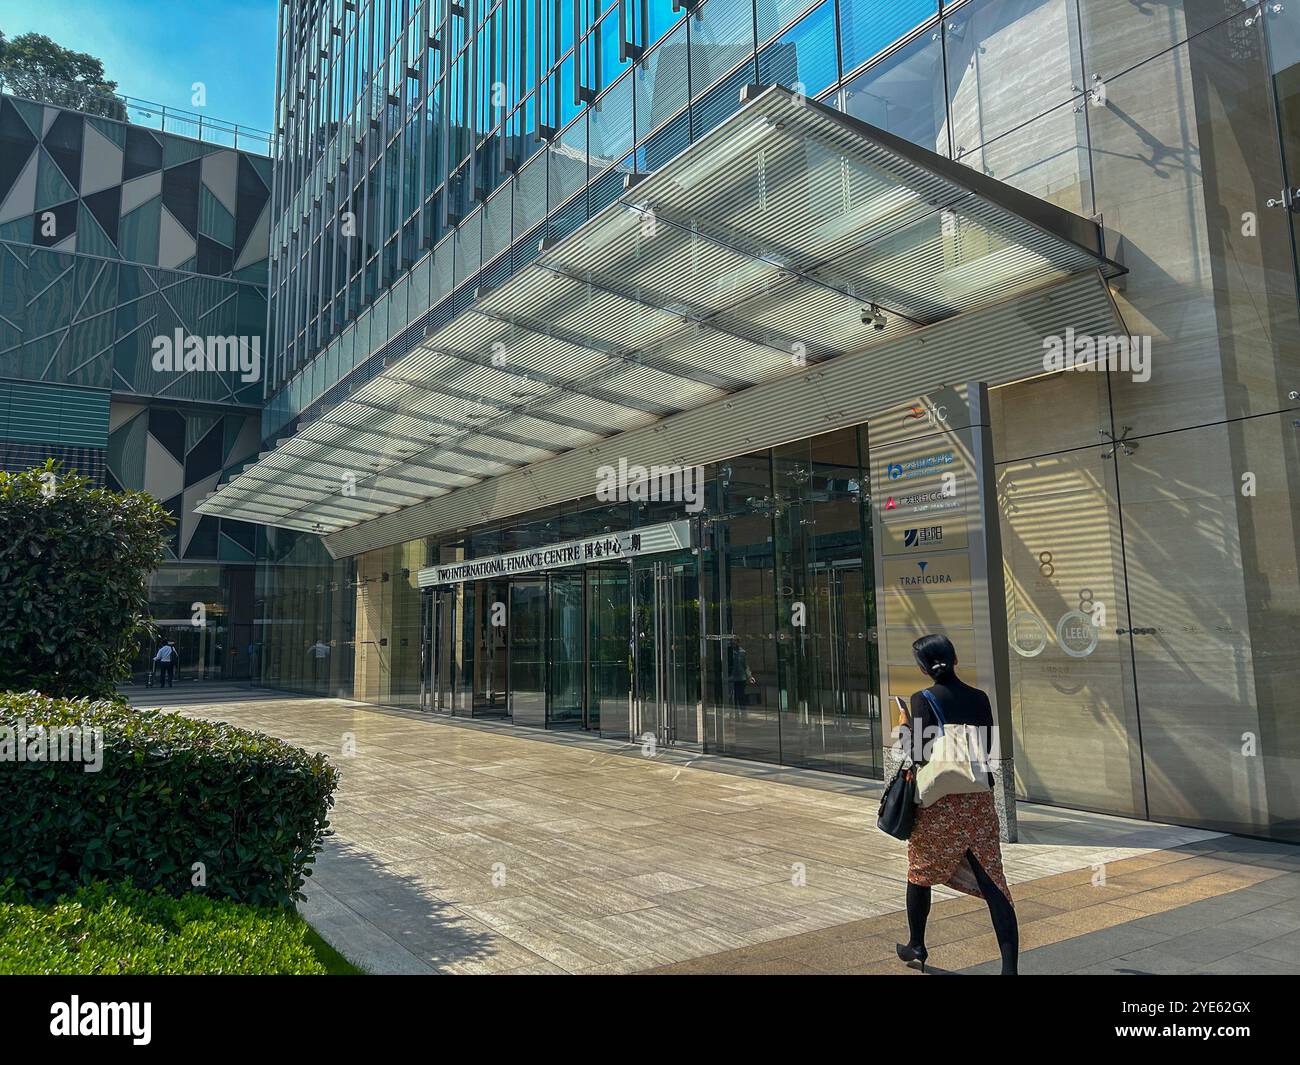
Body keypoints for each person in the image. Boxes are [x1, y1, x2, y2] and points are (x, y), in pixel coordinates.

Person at [895, 634, 1019, 975]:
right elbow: (988, 748)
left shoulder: (923, 699)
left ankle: (917, 944)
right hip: (978, 803)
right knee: (994, 883)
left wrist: (904, 726)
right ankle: (1010, 969)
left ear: (922, 667)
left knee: (920, 873)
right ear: (955, 659)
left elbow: (917, 753)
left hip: (939, 804)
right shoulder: (979, 698)